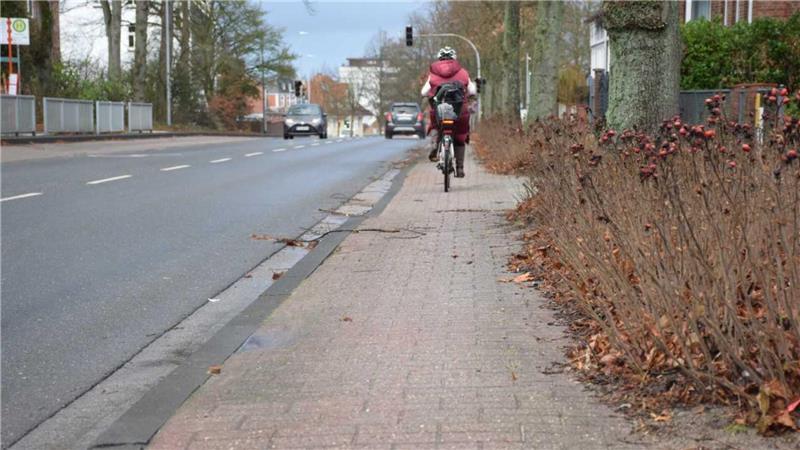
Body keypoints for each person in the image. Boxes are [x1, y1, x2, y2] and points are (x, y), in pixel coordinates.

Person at [421, 46, 477, 178]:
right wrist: (468, 95)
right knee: (460, 136)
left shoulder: (433, 73)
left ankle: (435, 145)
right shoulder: (463, 72)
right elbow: (473, 91)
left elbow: (423, 92)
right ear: (454, 58)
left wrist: (431, 94)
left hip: (439, 111)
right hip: (459, 111)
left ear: (439, 58)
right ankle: (460, 168)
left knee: (435, 126)